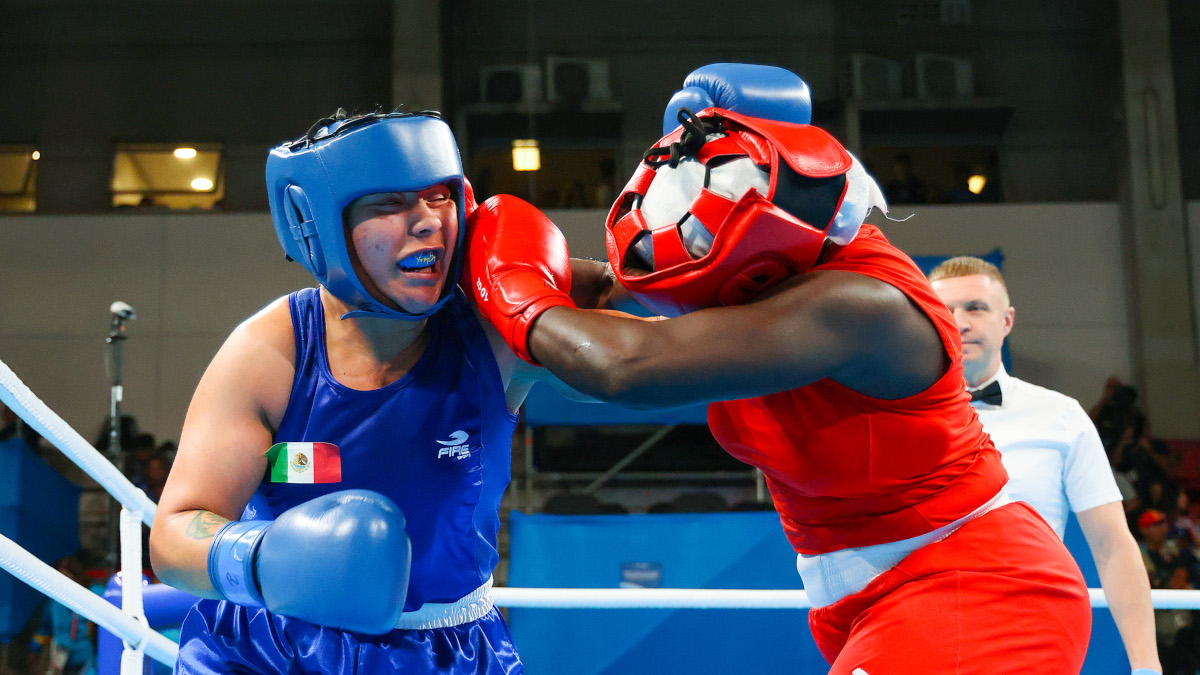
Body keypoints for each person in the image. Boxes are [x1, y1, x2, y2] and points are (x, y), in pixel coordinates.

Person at [463, 62, 1093, 673]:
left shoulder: (859, 303)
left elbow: (623, 366)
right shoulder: (748, 266)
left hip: (974, 586)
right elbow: (598, 295)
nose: (693, 224)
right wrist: (449, 273)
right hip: (865, 595)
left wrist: (510, 285)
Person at [149, 109, 575, 674]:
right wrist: (264, 561)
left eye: (439, 197)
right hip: (271, 651)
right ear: (322, 224)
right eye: (389, 204)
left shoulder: (494, 337)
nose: (427, 223)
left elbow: (640, 354)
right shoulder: (270, 353)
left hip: (448, 651)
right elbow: (175, 534)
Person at [929, 255, 1162, 673]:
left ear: (1008, 320)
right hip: (920, 626)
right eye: (943, 311)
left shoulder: (1061, 416)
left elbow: (1113, 546)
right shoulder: (891, 417)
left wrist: (1146, 666)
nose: (959, 322)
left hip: (1031, 631)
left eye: (976, 307)